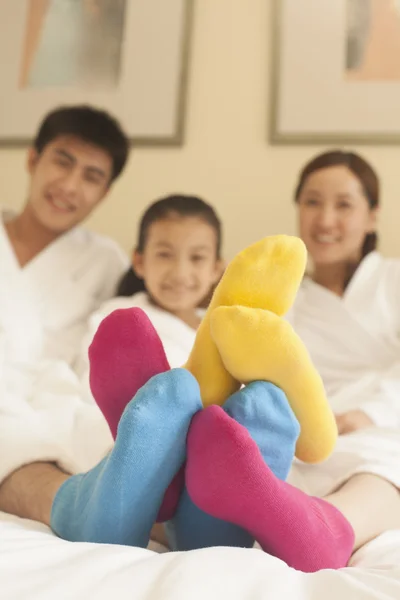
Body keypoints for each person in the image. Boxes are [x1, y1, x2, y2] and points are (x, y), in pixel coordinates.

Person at [183, 150, 400, 571]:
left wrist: (370, 413)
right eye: (312, 202)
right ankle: (247, 515)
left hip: (383, 418)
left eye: (344, 205)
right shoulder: (286, 297)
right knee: (262, 450)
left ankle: (331, 529)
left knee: (385, 460)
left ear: (372, 216)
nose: (325, 219)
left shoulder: (393, 280)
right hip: (306, 424)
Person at [1, 104, 130, 371]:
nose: (69, 187)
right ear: (32, 160)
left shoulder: (106, 262)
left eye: (91, 178)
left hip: (52, 410)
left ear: (104, 193)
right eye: (62, 163)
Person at [77, 194, 224, 384]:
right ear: (139, 262)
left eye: (197, 257)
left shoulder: (225, 329)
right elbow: (94, 388)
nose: (180, 273)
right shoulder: (116, 319)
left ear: (216, 269)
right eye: (164, 255)